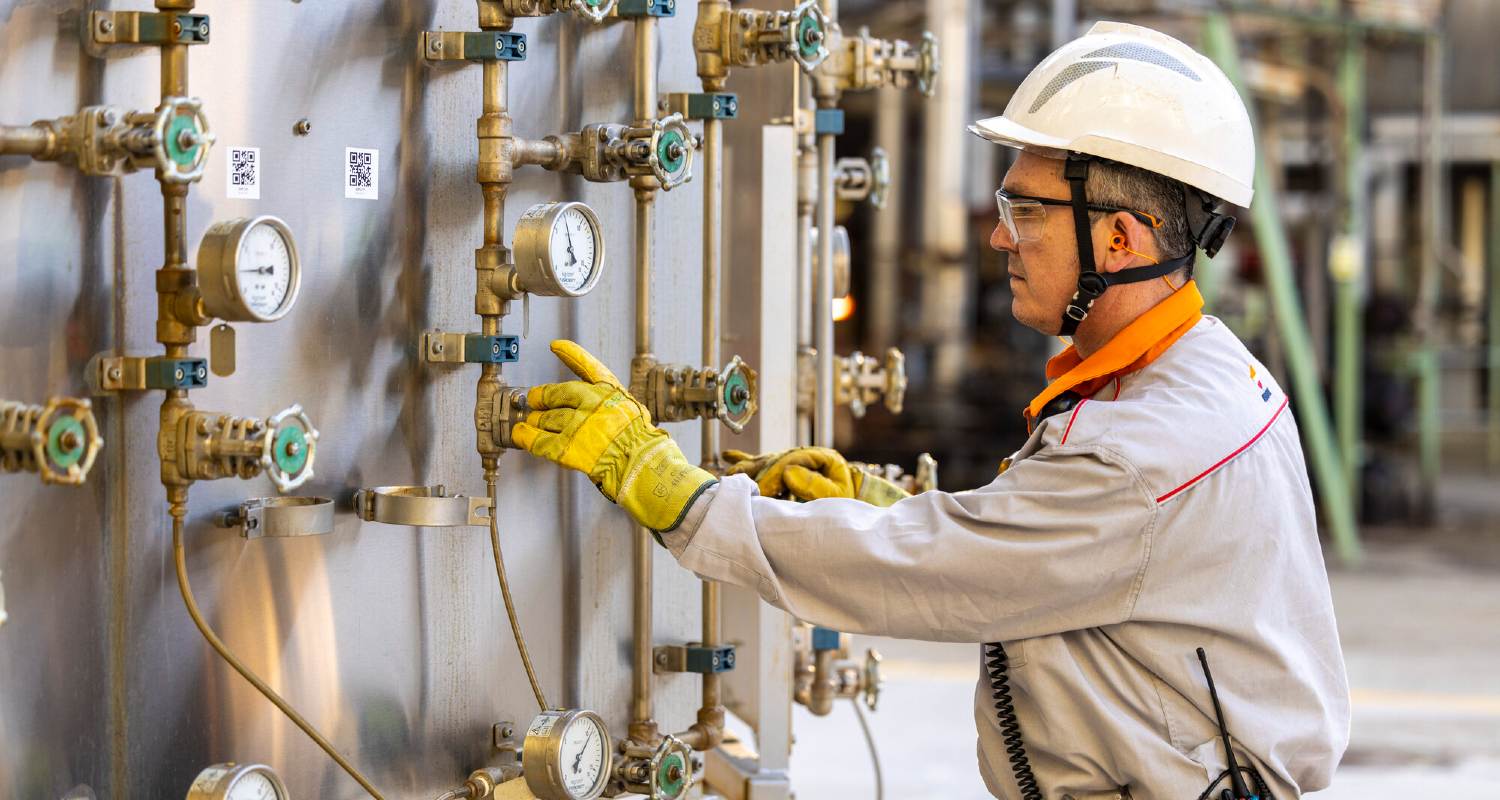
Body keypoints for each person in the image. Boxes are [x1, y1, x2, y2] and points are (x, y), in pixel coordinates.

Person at [512, 21, 1350, 800]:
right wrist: (888, 508)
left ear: (1121, 239)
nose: (999, 237)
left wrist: (681, 498)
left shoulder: (1142, 454)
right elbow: (1060, 554)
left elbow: (933, 574)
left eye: (1025, 211)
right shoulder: (1205, 371)